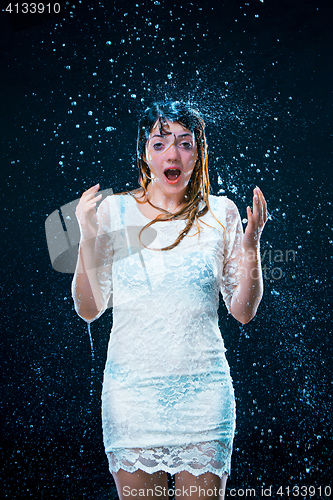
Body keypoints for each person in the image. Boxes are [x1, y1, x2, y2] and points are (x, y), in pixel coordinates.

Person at [71, 100, 267, 500]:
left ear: (199, 153)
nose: (172, 154)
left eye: (184, 143)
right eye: (160, 144)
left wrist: (251, 246)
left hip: (203, 396)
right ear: (145, 154)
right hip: (132, 397)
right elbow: (88, 309)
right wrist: (88, 235)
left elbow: (243, 312)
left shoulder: (221, 213)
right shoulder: (116, 210)